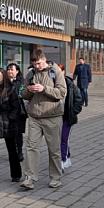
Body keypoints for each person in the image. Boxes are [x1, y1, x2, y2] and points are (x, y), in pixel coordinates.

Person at [20, 50, 67, 190]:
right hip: (34, 117)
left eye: (39, 63)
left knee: (54, 149)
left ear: (44, 59)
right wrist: (29, 90)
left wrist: (44, 89)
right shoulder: (30, 73)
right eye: (34, 64)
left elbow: (62, 92)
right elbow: (23, 94)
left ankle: (55, 178)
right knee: (31, 148)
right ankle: (29, 178)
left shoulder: (55, 71)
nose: (37, 66)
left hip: (52, 117)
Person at [58, 64, 83, 169]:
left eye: (59, 71)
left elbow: (79, 100)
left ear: (63, 72)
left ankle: (63, 160)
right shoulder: (52, 83)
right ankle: (67, 156)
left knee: (63, 138)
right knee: (58, 139)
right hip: (55, 116)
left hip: (67, 117)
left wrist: (72, 112)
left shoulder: (70, 84)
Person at [6, 62, 26, 162]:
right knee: (9, 132)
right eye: (8, 69)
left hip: (19, 111)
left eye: (12, 70)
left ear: (17, 71)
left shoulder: (21, 82)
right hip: (7, 110)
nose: (10, 72)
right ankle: (12, 151)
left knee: (18, 132)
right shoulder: (4, 81)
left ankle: (19, 152)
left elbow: (21, 94)